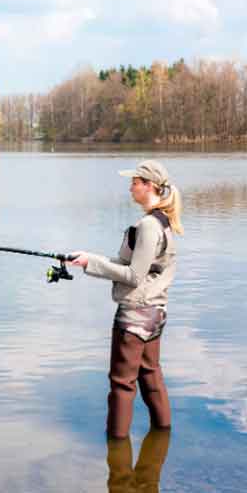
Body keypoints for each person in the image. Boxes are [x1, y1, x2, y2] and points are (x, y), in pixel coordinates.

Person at [69, 160, 183, 439]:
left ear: (149, 186)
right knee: (150, 376)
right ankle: (162, 437)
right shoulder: (162, 222)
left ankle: (116, 455)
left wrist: (90, 265)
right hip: (155, 314)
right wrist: (87, 258)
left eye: (135, 182)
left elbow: (132, 275)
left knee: (122, 384)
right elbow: (126, 263)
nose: (130, 187)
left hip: (134, 316)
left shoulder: (148, 226)